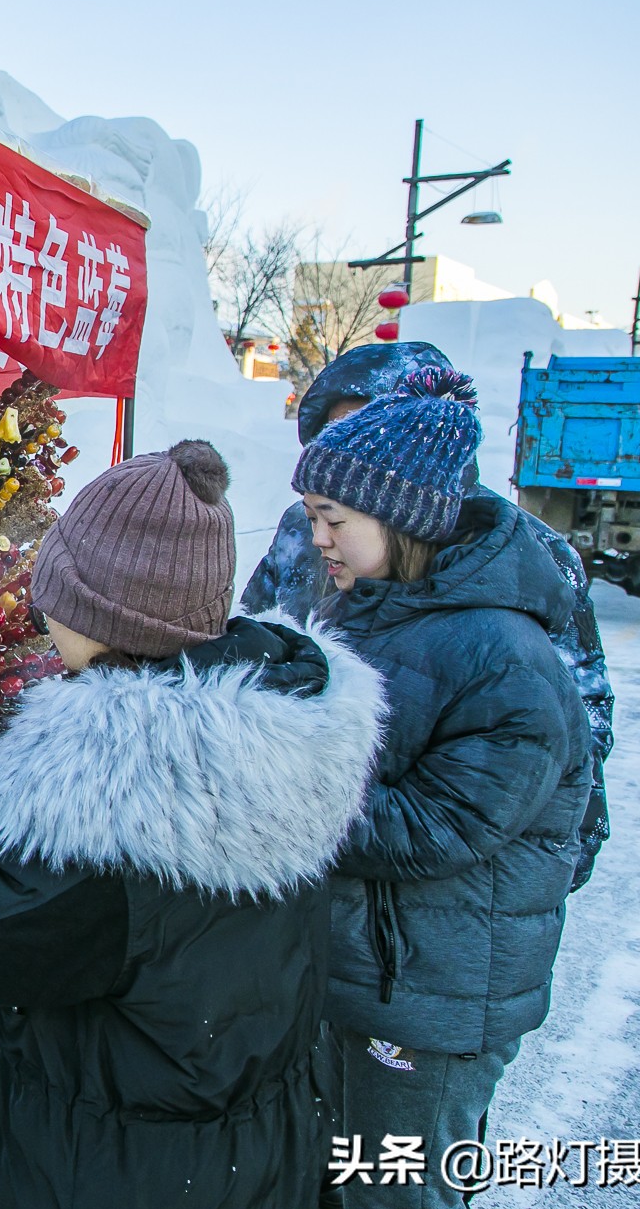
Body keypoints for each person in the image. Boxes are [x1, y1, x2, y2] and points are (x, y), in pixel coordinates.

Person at [0, 442, 386, 1209]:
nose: (43, 615)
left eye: (57, 598)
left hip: (127, 1178)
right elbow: (98, 805)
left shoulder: (128, 798)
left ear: (109, 615)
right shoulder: (259, 712)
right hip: (241, 1153)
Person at [294, 370, 593, 1209]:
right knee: (351, 1183)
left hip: (436, 999)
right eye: (314, 516)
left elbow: (437, 825)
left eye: (333, 520)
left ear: (404, 517)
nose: (317, 538)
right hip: (377, 973)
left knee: (401, 1204)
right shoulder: (376, 610)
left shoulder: (504, 655)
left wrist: (276, 796)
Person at [241, 341, 614, 892]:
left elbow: (574, 711)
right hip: (340, 880)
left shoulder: (527, 563)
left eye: (380, 428)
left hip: (443, 888)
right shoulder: (305, 530)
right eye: (333, 434)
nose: (324, 534)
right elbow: (260, 633)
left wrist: (569, 837)